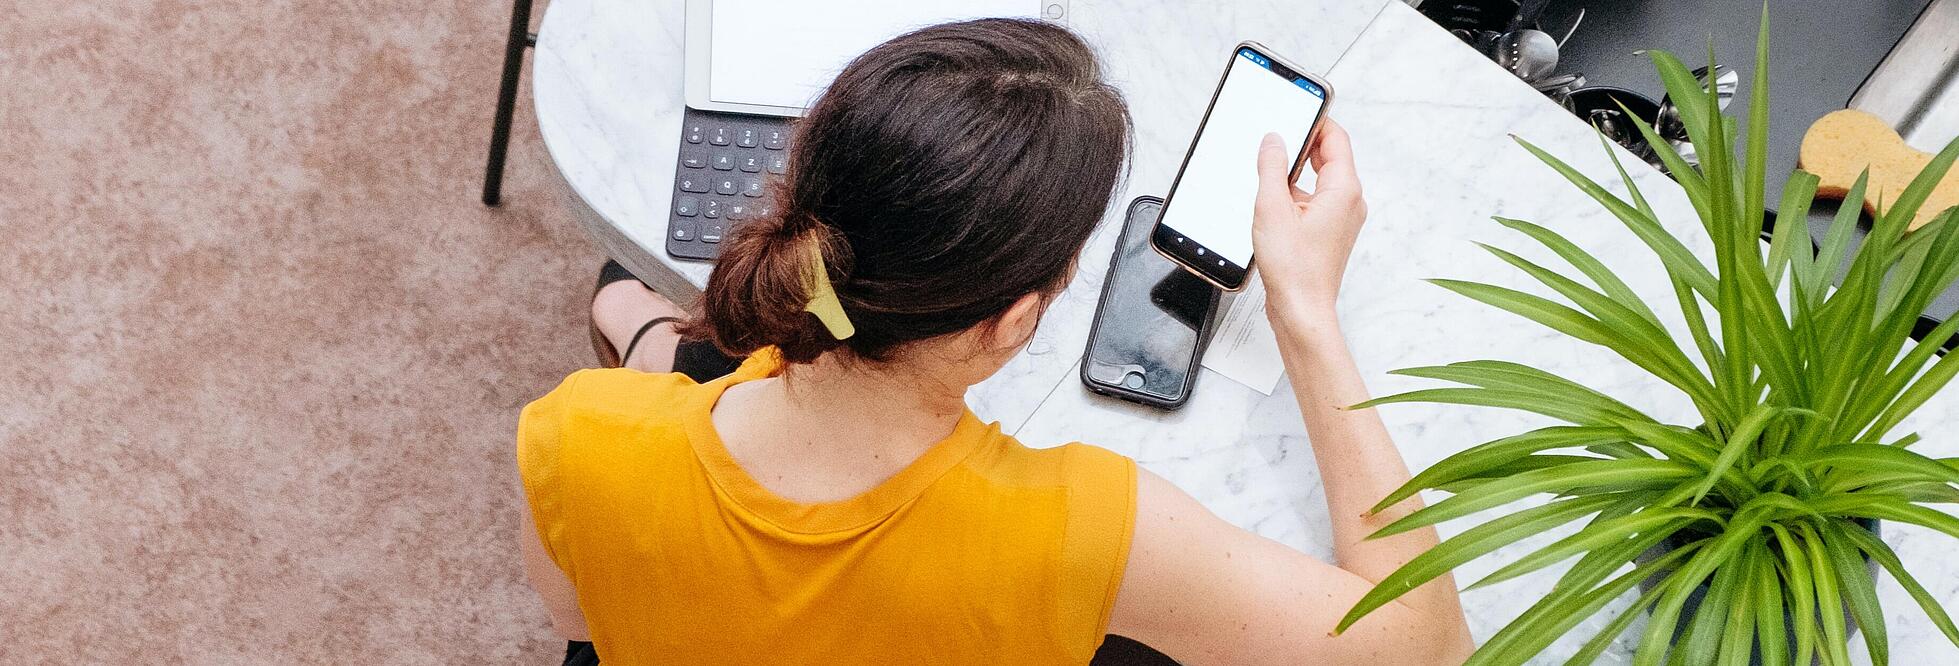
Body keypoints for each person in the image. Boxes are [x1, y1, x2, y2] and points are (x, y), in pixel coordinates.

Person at [518, 18, 1471, 666]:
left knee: (683, 365)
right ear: (1014, 320)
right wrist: (1305, 311)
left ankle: (646, 331)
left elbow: (578, 625)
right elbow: (1420, 645)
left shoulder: (572, 435)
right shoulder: (1083, 529)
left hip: (656, 506)